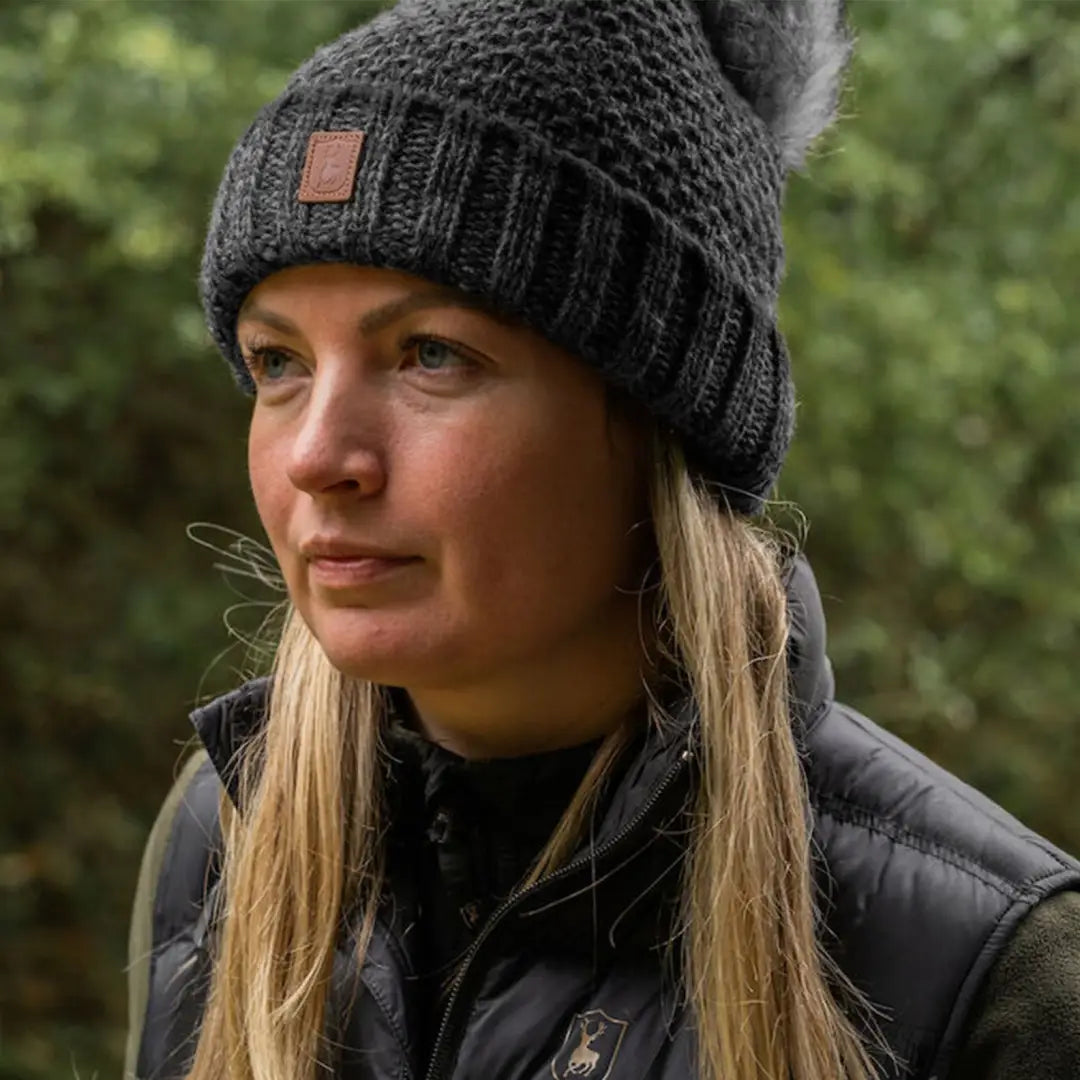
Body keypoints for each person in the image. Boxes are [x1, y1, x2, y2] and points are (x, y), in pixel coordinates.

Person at [123, 1, 1080, 1078]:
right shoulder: (227, 838)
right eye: (277, 363)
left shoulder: (993, 973)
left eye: (431, 354)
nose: (318, 456)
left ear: (657, 417)